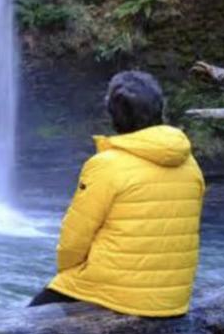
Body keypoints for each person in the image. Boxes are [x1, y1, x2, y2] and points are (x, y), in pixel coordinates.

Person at [30, 70, 205, 317]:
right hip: (172, 300)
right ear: (159, 109)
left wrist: (69, 273)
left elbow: (74, 239)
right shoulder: (190, 164)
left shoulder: (106, 165)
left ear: (113, 114)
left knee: (19, 324)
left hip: (118, 296)